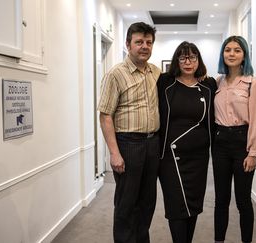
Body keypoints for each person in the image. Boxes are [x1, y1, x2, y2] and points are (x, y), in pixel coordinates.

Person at [97, 22, 160, 243]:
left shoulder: (155, 72)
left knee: (147, 201)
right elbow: (105, 115)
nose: (144, 46)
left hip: (153, 144)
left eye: (149, 42)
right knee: (126, 202)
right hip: (128, 144)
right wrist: (114, 153)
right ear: (128, 44)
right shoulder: (115, 74)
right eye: (139, 42)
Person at [157, 41, 217, 243]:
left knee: (193, 205)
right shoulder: (165, 82)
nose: (188, 62)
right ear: (177, 61)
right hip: (170, 158)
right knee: (176, 206)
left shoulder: (208, 85)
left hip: (199, 159)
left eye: (192, 57)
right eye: (182, 57)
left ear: (198, 60)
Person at [212, 36, 256, 243]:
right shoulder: (218, 82)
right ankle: (219, 240)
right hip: (220, 144)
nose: (231, 54)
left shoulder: (253, 83)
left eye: (237, 50)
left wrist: (253, 152)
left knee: (243, 200)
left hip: (242, 143)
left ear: (244, 55)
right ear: (222, 54)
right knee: (220, 200)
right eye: (227, 50)